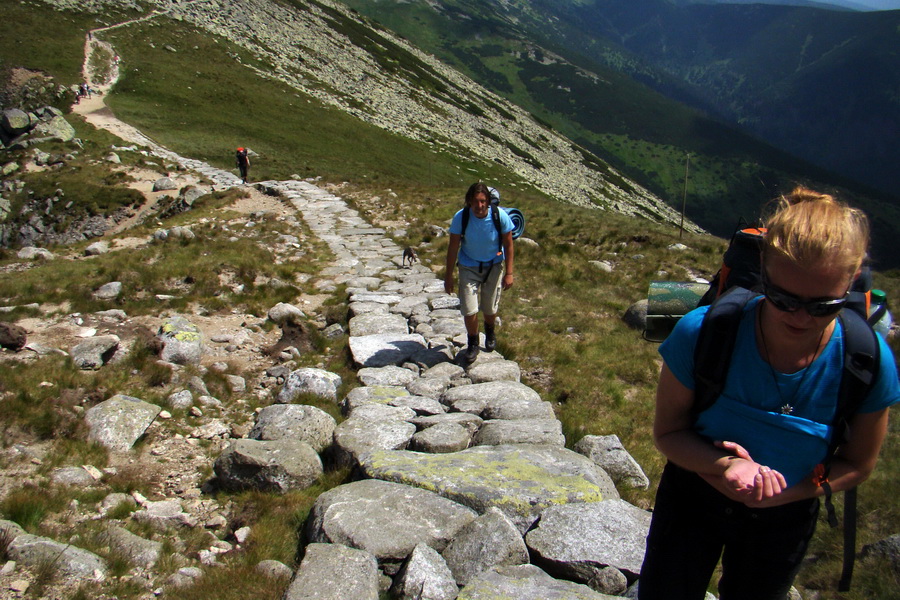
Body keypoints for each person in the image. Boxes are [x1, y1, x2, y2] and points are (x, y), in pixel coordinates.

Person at [638, 187, 899, 600]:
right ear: (763, 266)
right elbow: (667, 434)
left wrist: (788, 494)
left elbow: (858, 464)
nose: (799, 316)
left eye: (823, 305)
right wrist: (722, 465)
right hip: (694, 496)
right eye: (782, 298)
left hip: (787, 517)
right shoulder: (703, 332)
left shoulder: (866, 361)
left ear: (851, 282)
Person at [445, 182, 515, 363]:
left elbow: (508, 244)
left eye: (483, 201)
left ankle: (490, 332)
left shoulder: (500, 216)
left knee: (490, 307)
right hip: (468, 266)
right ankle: (473, 342)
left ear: (489, 201)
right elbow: (453, 247)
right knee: (469, 309)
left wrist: (509, 272)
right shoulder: (461, 217)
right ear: (469, 201)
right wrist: (448, 276)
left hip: (494, 265)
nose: (480, 206)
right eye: (475, 201)